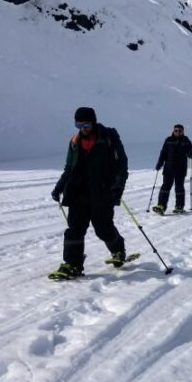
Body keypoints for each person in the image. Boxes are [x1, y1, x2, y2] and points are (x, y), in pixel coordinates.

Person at [50, 107, 129, 279]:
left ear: (93, 121)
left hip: (101, 192)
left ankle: (118, 250)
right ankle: (73, 264)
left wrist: (117, 189)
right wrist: (59, 187)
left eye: (86, 124)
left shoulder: (109, 138)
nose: (83, 128)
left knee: (103, 229)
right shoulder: (74, 140)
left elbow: (121, 165)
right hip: (78, 191)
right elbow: (69, 167)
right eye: (79, 124)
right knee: (75, 229)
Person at [152, 124, 192, 215]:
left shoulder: (186, 141)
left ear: (183, 131)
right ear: (173, 131)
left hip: (181, 168)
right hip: (169, 168)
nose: (178, 132)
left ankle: (179, 206)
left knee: (179, 187)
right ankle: (161, 206)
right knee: (165, 187)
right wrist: (159, 163)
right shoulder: (168, 140)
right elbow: (163, 153)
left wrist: (191, 154)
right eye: (176, 130)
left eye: (180, 131)